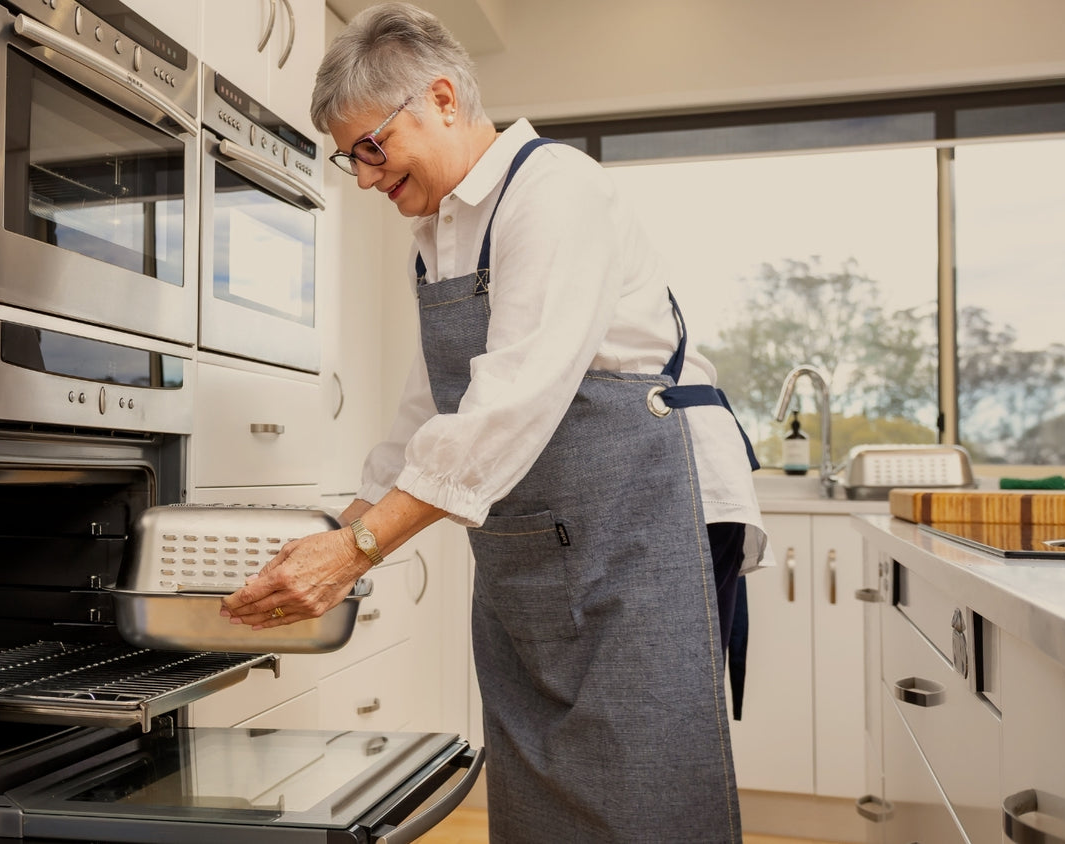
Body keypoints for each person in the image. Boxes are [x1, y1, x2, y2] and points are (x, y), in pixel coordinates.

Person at [220, 3, 767, 840]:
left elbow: (514, 400)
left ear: (441, 97)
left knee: (640, 769)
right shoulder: (440, 234)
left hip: (646, 510)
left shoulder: (555, 190)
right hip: (542, 534)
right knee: (536, 766)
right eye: (349, 157)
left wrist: (358, 550)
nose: (364, 177)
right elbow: (430, 403)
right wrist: (346, 523)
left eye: (373, 147)